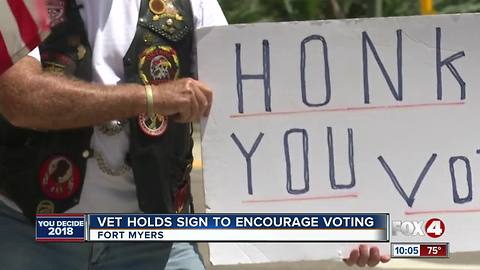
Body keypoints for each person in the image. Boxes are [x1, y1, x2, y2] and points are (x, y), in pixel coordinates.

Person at [0, 0, 389, 269]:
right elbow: (21, 99)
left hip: (157, 241)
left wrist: (341, 225)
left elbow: (257, 118)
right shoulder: (22, 7)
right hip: (32, 234)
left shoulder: (189, 4)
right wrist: (150, 97)